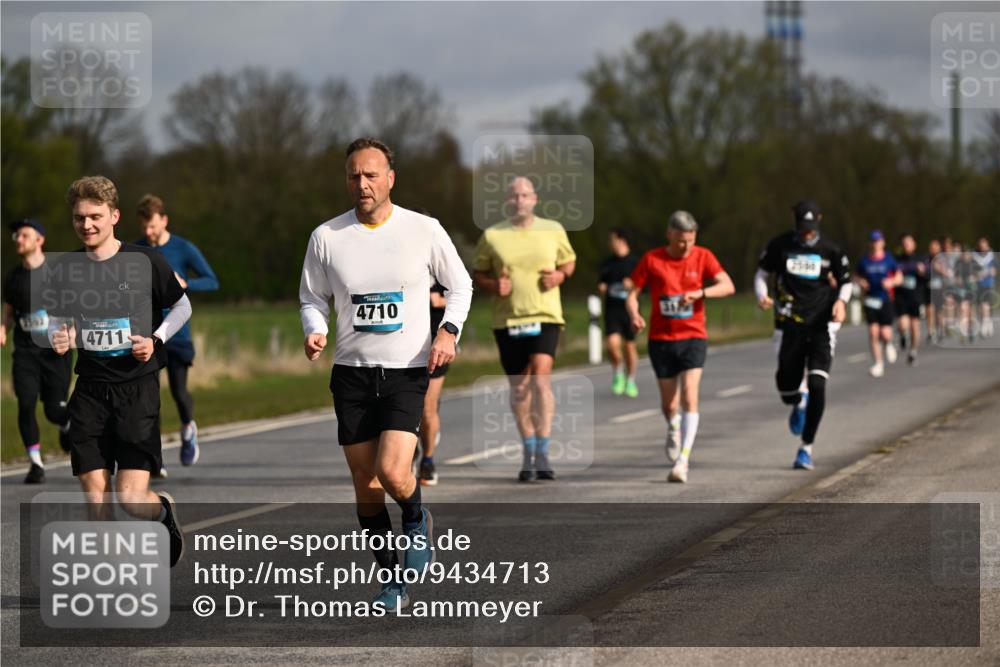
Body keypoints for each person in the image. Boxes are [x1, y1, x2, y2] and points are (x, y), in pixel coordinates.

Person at [299, 138, 472, 610]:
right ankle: (392, 581)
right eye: (354, 175)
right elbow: (311, 297)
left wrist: (448, 332)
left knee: (393, 471)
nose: (363, 183)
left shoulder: (423, 230)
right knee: (366, 485)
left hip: (405, 370)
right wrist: (315, 329)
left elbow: (460, 285)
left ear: (390, 179)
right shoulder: (327, 237)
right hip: (351, 374)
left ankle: (416, 518)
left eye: (371, 175)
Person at [42, 175, 189, 566]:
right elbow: (56, 318)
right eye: (79, 218)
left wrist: (156, 339)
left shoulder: (145, 261)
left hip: (136, 389)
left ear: (114, 216)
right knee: (97, 500)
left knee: (129, 498)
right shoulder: (66, 268)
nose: (86, 225)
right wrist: (60, 335)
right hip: (90, 389)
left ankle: (161, 511)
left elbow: (182, 306)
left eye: (95, 216)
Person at [472, 177, 576, 482]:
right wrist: (494, 284)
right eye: (514, 196)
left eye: (525, 195)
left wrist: (559, 276)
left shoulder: (553, 229)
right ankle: (528, 449)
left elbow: (569, 262)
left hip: (545, 315)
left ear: (534, 199)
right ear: (508, 201)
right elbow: (478, 272)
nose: (520, 200)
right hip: (508, 321)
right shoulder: (492, 235)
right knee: (519, 388)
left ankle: (543, 451)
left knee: (541, 381)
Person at [626, 211, 734, 483]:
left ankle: (682, 461)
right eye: (681, 241)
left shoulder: (703, 256)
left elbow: (727, 285)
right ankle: (674, 425)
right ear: (669, 235)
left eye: (691, 241)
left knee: (689, 395)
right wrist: (635, 315)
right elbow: (633, 294)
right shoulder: (652, 259)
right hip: (661, 339)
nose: (686, 246)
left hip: (693, 336)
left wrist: (701, 293)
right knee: (669, 404)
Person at [755, 201, 851, 470]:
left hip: (821, 324)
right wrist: (762, 294)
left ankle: (806, 448)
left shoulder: (831, 250)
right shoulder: (780, 245)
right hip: (790, 324)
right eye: (802, 228)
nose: (806, 233)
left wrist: (841, 302)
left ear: (819, 220)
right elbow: (761, 274)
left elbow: (846, 282)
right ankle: (798, 400)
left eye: (811, 228)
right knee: (787, 388)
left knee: (818, 384)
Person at [136, 194, 220, 473]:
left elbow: (212, 281)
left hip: (178, 334)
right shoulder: (136, 250)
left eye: (152, 226)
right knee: (150, 399)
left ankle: (187, 428)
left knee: (179, 392)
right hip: (147, 335)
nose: (148, 232)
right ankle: (155, 460)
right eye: (144, 227)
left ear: (164, 220)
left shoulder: (183, 248)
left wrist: (186, 284)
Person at [1, 219, 73, 484]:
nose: (19, 240)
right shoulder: (13, 277)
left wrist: (71, 334)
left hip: (55, 354)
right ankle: (35, 464)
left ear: (39, 240)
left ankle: (66, 424)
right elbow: (9, 313)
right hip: (25, 353)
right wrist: (3, 328)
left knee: (54, 411)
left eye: (24, 235)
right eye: (17, 236)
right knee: (26, 403)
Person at [598, 228, 640, 397]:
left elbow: (644, 286)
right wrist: (602, 287)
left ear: (622, 240)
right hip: (612, 310)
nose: (610, 243)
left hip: (629, 311)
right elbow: (601, 282)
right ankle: (618, 372)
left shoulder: (634, 262)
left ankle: (631, 380)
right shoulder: (608, 263)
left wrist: (633, 285)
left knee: (629, 347)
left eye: (613, 240)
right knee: (612, 345)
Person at [854, 230, 901, 378]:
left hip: (885, 299)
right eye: (873, 241)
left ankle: (888, 344)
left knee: (885, 333)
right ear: (870, 243)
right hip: (870, 299)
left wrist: (891, 282)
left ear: (883, 243)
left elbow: (899, 277)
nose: (876, 244)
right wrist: (861, 282)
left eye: (878, 241)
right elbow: (855, 276)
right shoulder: (864, 261)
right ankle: (878, 363)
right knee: (873, 332)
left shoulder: (889, 260)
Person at [417, 281, 449, 486]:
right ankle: (409, 450)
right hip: (402, 346)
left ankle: (427, 460)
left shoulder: (441, 267)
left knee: (428, 407)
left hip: (435, 347)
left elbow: (463, 293)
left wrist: (439, 301)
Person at [893, 233, 927, 365]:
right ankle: (903, 335)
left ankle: (913, 351)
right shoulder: (897, 260)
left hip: (916, 296)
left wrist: (922, 272)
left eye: (909, 242)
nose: (906, 245)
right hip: (901, 296)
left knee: (915, 326)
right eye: (904, 243)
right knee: (903, 324)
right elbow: (891, 273)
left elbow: (928, 275)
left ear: (914, 244)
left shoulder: (920, 259)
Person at [973, 237, 995, 338]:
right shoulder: (975, 256)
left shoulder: (991, 255)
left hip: (988, 284)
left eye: (984, 245)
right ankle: (985, 322)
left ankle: (986, 323)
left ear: (987, 245)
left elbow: (995, 269)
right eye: (981, 245)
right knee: (980, 306)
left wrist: (992, 272)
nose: (982, 247)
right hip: (979, 284)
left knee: (986, 305)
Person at [925, 238, 943, 343]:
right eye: (931, 247)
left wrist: (939, 268)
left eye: (935, 247)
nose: (933, 249)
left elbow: (948, 272)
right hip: (929, 288)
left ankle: (940, 329)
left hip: (940, 289)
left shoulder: (943, 258)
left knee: (939, 311)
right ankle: (930, 332)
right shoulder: (926, 259)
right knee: (930, 310)